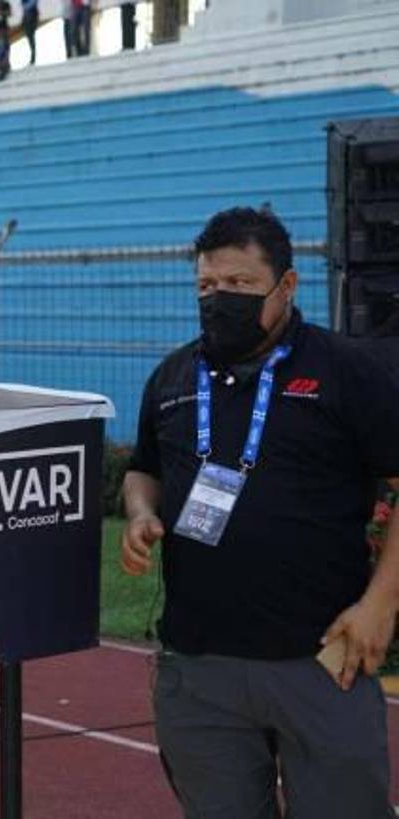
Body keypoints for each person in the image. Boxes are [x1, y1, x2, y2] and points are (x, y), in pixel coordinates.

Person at [121, 207, 399, 819]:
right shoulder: (171, 376)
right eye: (207, 287)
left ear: (287, 286)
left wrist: (381, 603)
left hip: (320, 662)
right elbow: (143, 469)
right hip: (198, 670)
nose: (220, 301)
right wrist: (142, 511)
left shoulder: (346, 370)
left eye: (240, 286)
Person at [22, 0, 40, 65]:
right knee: (29, 37)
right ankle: (32, 54)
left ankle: (33, 55)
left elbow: (32, 4)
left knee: (31, 36)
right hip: (27, 17)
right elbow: (24, 6)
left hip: (32, 17)